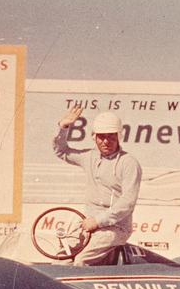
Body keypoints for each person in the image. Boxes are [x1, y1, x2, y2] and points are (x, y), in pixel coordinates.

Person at [53, 106, 142, 266]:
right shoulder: (89, 156)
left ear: (119, 137)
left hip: (116, 228)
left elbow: (128, 202)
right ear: (94, 137)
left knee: (81, 261)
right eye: (101, 137)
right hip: (87, 223)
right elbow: (62, 152)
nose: (106, 141)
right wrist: (63, 127)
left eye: (111, 136)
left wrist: (98, 221)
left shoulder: (129, 162)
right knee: (61, 259)